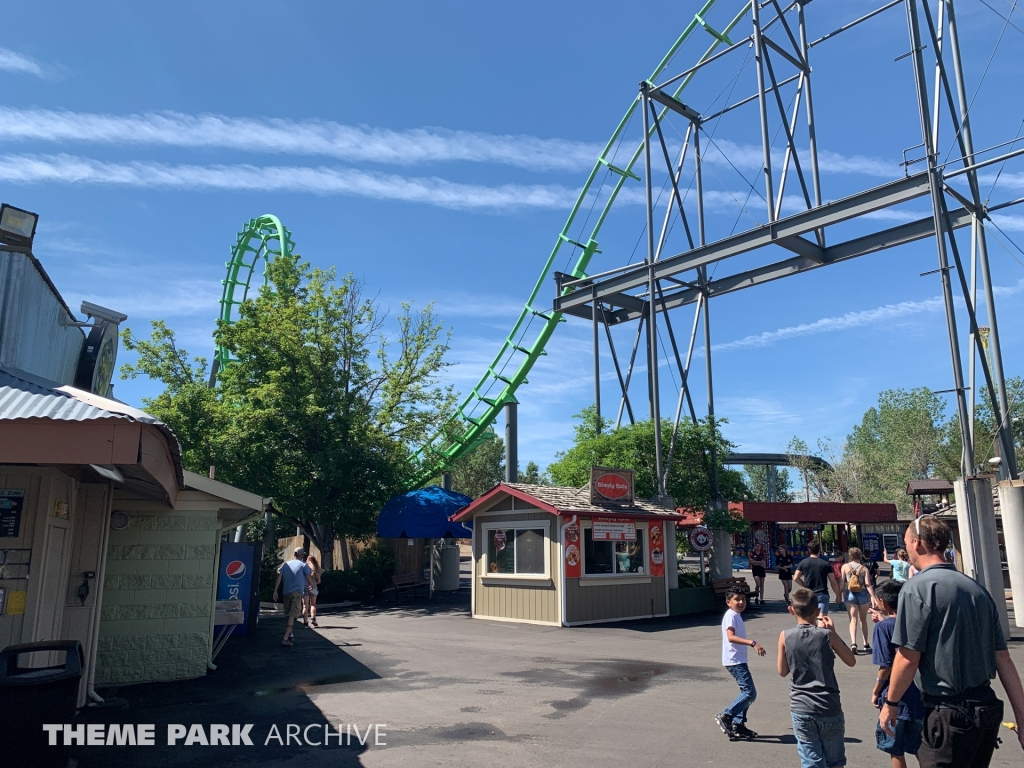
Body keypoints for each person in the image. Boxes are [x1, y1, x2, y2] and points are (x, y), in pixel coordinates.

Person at [879, 515, 1024, 767]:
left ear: (916, 543)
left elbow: (907, 656)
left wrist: (891, 702)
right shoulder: (977, 590)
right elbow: (1004, 659)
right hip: (984, 710)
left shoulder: (917, 588)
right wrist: (1022, 719)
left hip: (946, 714)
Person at [777, 586, 857, 768]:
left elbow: (782, 671)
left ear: (791, 610)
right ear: (818, 611)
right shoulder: (827, 636)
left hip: (801, 706)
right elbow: (850, 660)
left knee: (810, 759)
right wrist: (833, 632)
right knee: (834, 760)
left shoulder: (785, 636)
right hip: (828, 705)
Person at [871, 579, 924, 768]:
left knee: (895, 748)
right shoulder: (915, 622)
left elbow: (885, 665)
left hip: (895, 696)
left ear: (882, 602)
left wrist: (877, 690)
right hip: (920, 693)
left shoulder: (882, 628)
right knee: (922, 747)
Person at [715, 586, 767, 740]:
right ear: (728, 602)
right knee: (749, 693)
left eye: (743, 599)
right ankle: (726, 715)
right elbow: (730, 637)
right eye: (737, 599)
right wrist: (753, 643)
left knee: (746, 692)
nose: (741, 602)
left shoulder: (735, 615)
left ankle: (738, 724)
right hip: (734, 660)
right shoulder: (731, 615)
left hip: (738, 660)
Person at [272, 547, 317, 647]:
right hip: (297, 593)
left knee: (288, 614)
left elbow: (279, 577)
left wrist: (275, 591)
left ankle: (290, 635)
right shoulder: (303, 565)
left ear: (294, 554)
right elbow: (309, 578)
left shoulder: (286, 564)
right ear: (301, 556)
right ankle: (285, 638)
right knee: (292, 614)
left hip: (286, 592)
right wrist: (312, 586)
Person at [794, 540, 843, 616]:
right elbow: (833, 582)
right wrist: (838, 595)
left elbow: (796, 578)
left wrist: (804, 585)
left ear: (809, 550)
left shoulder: (803, 563)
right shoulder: (826, 564)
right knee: (821, 619)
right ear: (819, 550)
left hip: (809, 594)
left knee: (810, 618)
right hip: (822, 593)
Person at [841, 547, 872, 654]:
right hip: (862, 593)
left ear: (850, 555)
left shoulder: (845, 566)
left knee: (853, 620)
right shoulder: (864, 569)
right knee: (863, 620)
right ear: (860, 555)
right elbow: (867, 584)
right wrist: (872, 596)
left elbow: (842, 582)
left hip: (850, 594)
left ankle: (853, 643)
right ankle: (866, 644)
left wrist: (841, 594)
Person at [305, 555, 322, 628]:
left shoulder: (304, 566)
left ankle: (305, 623)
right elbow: (319, 581)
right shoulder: (317, 568)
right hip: (314, 587)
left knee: (305, 606)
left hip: (305, 587)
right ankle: (313, 618)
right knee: (313, 604)